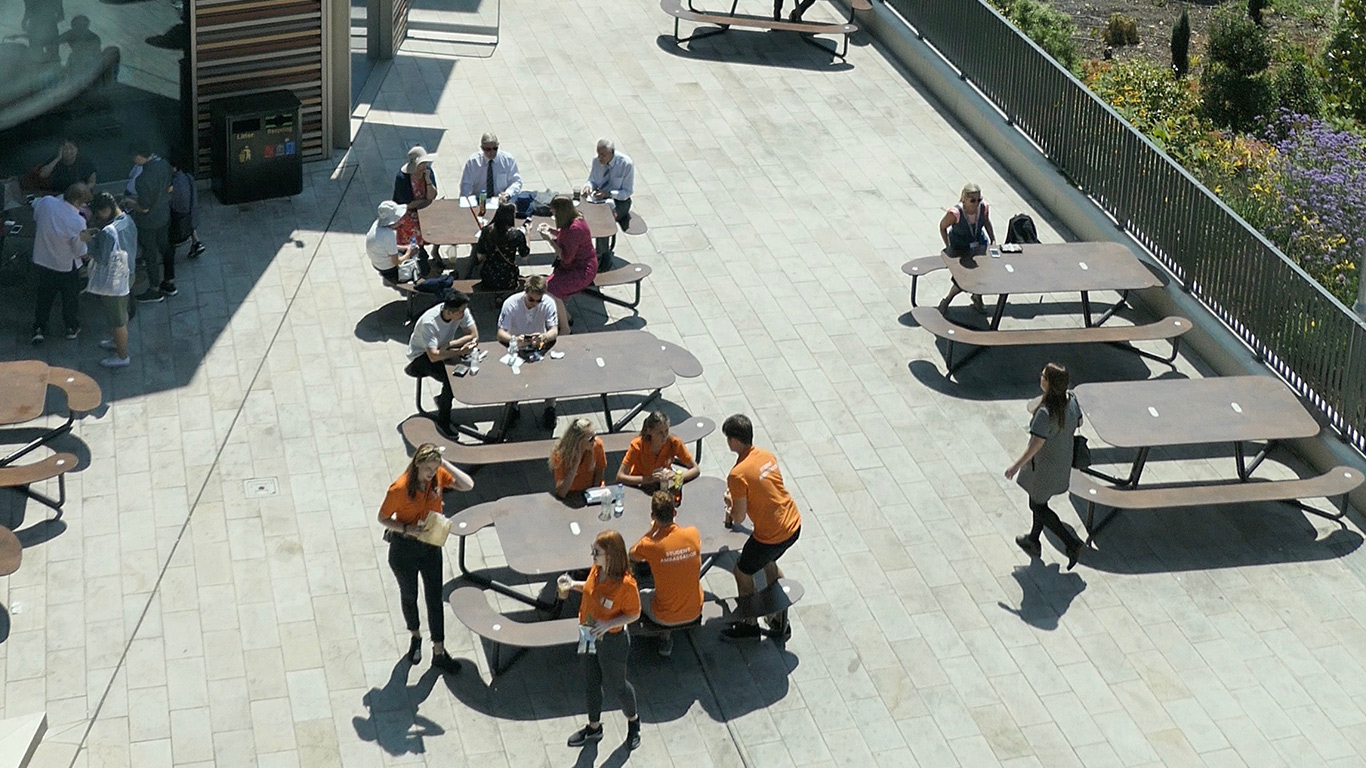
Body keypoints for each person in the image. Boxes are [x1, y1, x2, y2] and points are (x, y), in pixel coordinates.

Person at [377, 443, 475, 674]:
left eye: (435, 467)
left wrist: (445, 463)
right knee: (409, 595)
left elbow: (468, 485)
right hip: (405, 549)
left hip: (430, 546)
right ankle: (415, 636)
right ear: (417, 464)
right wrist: (406, 529)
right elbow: (383, 518)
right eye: (428, 468)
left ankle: (439, 651)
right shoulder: (399, 489)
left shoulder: (438, 475)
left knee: (434, 598)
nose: (432, 473)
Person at [721, 414, 802, 642]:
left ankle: (749, 625)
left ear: (735, 441)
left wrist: (730, 502)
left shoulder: (737, 474)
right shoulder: (767, 455)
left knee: (742, 571)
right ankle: (780, 619)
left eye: (728, 438)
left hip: (771, 535)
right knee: (768, 561)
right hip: (793, 524)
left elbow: (737, 517)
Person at [561, 530, 642, 751]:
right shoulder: (597, 572)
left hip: (612, 640)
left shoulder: (626, 585)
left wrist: (608, 624)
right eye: (593, 551)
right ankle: (594, 727)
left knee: (619, 685)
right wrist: (572, 584)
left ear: (611, 555)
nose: (592, 555)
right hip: (587, 632)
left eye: (596, 552)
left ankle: (634, 722)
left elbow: (634, 613)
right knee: (591, 680)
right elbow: (589, 591)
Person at [1005, 363, 1085, 570]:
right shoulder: (1072, 402)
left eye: (1043, 375)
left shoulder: (1045, 414)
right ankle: (1033, 540)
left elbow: (1035, 445)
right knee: (1039, 501)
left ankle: (1071, 543)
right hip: (1062, 461)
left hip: (1044, 468)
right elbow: (1078, 422)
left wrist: (1015, 466)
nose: (1040, 377)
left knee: (1037, 505)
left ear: (1049, 383)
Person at [630, 491, 702, 657]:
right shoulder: (692, 533)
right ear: (675, 512)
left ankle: (665, 635)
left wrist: (653, 529)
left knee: (640, 593)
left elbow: (632, 554)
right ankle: (666, 636)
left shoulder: (650, 545)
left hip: (663, 616)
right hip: (695, 610)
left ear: (653, 515)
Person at [404, 293, 478, 437]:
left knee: (467, 369)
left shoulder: (461, 311)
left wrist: (450, 345)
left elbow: (473, 334)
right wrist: (458, 352)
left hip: (442, 348)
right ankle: (443, 421)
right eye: (461, 312)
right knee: (452, 380)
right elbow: (433, 356)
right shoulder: (430, 323)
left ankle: (442, 399)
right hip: (421, 356)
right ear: (449, 312)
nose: (464, 314)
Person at [30, 182, 91, 344]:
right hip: (66, 267)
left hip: (43, 261)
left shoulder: (47, 202)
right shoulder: (77, 221)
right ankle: (71, 327)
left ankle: (39, 328)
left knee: (44, 297)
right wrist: (86, 243)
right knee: (70, 299)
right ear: (79, 202)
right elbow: (79, 251)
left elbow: (36, 214)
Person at [496, 275, 560, 428]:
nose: (535, 304)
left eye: (539, 300)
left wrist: (544, 336)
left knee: (548, 376)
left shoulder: (548, 303)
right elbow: (500, 333)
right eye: (531, 300)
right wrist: (514, 339)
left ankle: (550, 408)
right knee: (515, 377)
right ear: (525, 292)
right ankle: (513, 406)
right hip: (517, 346)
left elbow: (554, 331)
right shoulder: (511, 304)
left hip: (539, 346)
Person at [85, 192, 137, 368]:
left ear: (106, 209)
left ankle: (122, 356)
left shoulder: (108, 232)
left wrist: (89, 240)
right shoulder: (128, 220)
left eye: (99, 213)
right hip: (129, 274)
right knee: (122, 314)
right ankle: (117, 341)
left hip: (114, 282)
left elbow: (100, 258)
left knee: (117, 320)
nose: (98, 217)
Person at [538, 195, 596, 336]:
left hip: (582, 270)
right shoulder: (576, 220)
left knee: (550, 290)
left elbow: (565, 258)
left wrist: (549, 240)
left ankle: (565, 328)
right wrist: (551, 230)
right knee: (547, 286)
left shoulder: (574, 229)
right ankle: (565, 316)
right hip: (578, 265)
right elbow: (566, 237)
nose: (553, 214)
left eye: (554, 212)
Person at [124, 142, 174, 302]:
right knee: (165, 248)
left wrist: (129, 202)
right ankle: (169, 282)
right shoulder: (164, 165)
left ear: (139, 157)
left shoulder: (142, 179)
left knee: (150, 254)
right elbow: (169, 188)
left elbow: (144, 208)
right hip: (164, 214)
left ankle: (154, 289)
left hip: (148, 223)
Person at [936, 182, 997, 314]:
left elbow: (986, 221)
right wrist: (948, 246)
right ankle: (947, 300)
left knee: (980, 273)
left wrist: (992, 238)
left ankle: (977, 298)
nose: (976, 203)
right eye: (972, 200)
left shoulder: (983, 207)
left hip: (979, 243)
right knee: (963, 277)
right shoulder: (955, 213)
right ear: (964, 199)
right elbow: (942, 227)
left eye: (978, 200)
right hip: (961, 246)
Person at [580, 139, 634, 269]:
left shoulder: (626, 164)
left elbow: (627, 192)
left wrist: (609, 194)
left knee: (603, 221)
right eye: (598, 154)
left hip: (619, 202)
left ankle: (602, 256)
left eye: (603, 155)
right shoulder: (596, 161)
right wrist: (588, 186)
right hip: (600, 198)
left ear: (612, 153)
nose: (600, 158)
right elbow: (592, 180)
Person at [617, 410, 700, 491]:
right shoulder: (637, 445)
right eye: (660, 432)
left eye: (666, 431)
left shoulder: (674, 442)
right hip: (640, 486)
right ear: (650, 431)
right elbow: (620, 476)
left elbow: (695, 469)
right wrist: (649, 479)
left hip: (663, 485)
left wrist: (675, 476)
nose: (664, 436)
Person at [392, 146, 437, 262]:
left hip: (424, 208)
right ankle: (417, 252)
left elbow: (432, 195)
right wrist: (425, 201)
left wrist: (427, 180)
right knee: (415, 227)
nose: (424, 166)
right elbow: (408, 204)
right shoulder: (402, 178)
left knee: (439, 225)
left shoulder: (428, 172)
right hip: (408, 212)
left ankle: (435, 250)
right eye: (422, 163)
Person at [469, 201, 528, 289]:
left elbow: (480, 256)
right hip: (509, 278)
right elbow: (525, 257)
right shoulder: (517, 235)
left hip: (488, 277)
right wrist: (528, 234)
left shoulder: (486, 231)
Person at [550, 418, 606, 499]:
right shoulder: (560, 455)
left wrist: (594, 493)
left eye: (595, 436)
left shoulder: (597, 446)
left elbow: (599, 472)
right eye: (590, 439)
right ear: (578, 441)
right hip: (570, 495)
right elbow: (561, 493)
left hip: (589, 494)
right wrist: (576, 462)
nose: (594, 441)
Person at [459, 133, 522, 203]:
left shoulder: (508, 160)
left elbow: (516, 181)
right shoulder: (473, 162)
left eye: (495, 149)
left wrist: (508, 193)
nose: (492, 152)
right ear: (482, 148)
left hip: (501, 200)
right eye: (488, 149)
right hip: (479, 200)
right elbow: (466, 186)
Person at [367, 200, 417, 281]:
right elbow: (396, 261)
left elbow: (384, 246)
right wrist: (408, 252)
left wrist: (404, 247)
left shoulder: (376, 225)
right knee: (415, 262)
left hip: (376, 261)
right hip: (387, 269)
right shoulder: (389, 235)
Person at [169, 154, 205, 259]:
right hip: (191, 213)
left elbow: (173, 203)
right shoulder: (188, 177)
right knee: (191, 227)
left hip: (181, 218)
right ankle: (196, 243)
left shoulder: (175, 182)